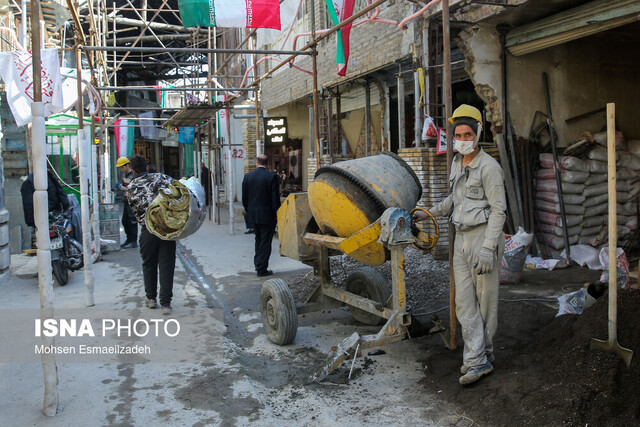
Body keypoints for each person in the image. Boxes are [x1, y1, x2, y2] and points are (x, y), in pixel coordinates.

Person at [413, 104, 506, 386]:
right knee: (464, 303)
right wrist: (428, 213)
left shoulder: (489, 168)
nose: (463, 140)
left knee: (485, 303)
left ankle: (481, 358)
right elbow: (453, 200)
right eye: (459, 135)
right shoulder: (456, 162)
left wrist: (490, 248)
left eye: (468, 134)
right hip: (461, 238)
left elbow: (499, 211)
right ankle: (477, 359)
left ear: (478, 134)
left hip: (482, 239)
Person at [126, 155, 177, 313]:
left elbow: (133, 211)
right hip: (166, 228)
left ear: (133, 171)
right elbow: (179, 191)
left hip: (148, 230)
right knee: (167, 265)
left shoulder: (131, 187)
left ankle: (151, 298)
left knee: (148, 264)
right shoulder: (162, 177)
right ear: (147, 167)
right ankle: (166, 303)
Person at [242, 154, 281, 277]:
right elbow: (275, 199)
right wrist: (277, 214)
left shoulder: (248, 177)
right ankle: (261, 268)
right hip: (267, 216)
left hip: (253, 215)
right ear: (267, 164)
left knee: (258, 239)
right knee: (265, 241)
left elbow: (244, 198)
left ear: (257, 163)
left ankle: (258, 264)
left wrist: (249, 210)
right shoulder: (271, 177)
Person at [115, 156, 138, 249]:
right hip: (126, 201)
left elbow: (131, 189)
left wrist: (120, 187)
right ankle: (129, 239)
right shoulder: (125, 175)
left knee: (132, 221)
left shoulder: (132, 176)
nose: (121, 169)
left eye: (122, 167)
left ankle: (133, 241)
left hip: (132, 201)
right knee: (125, 221)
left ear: (127, 165)